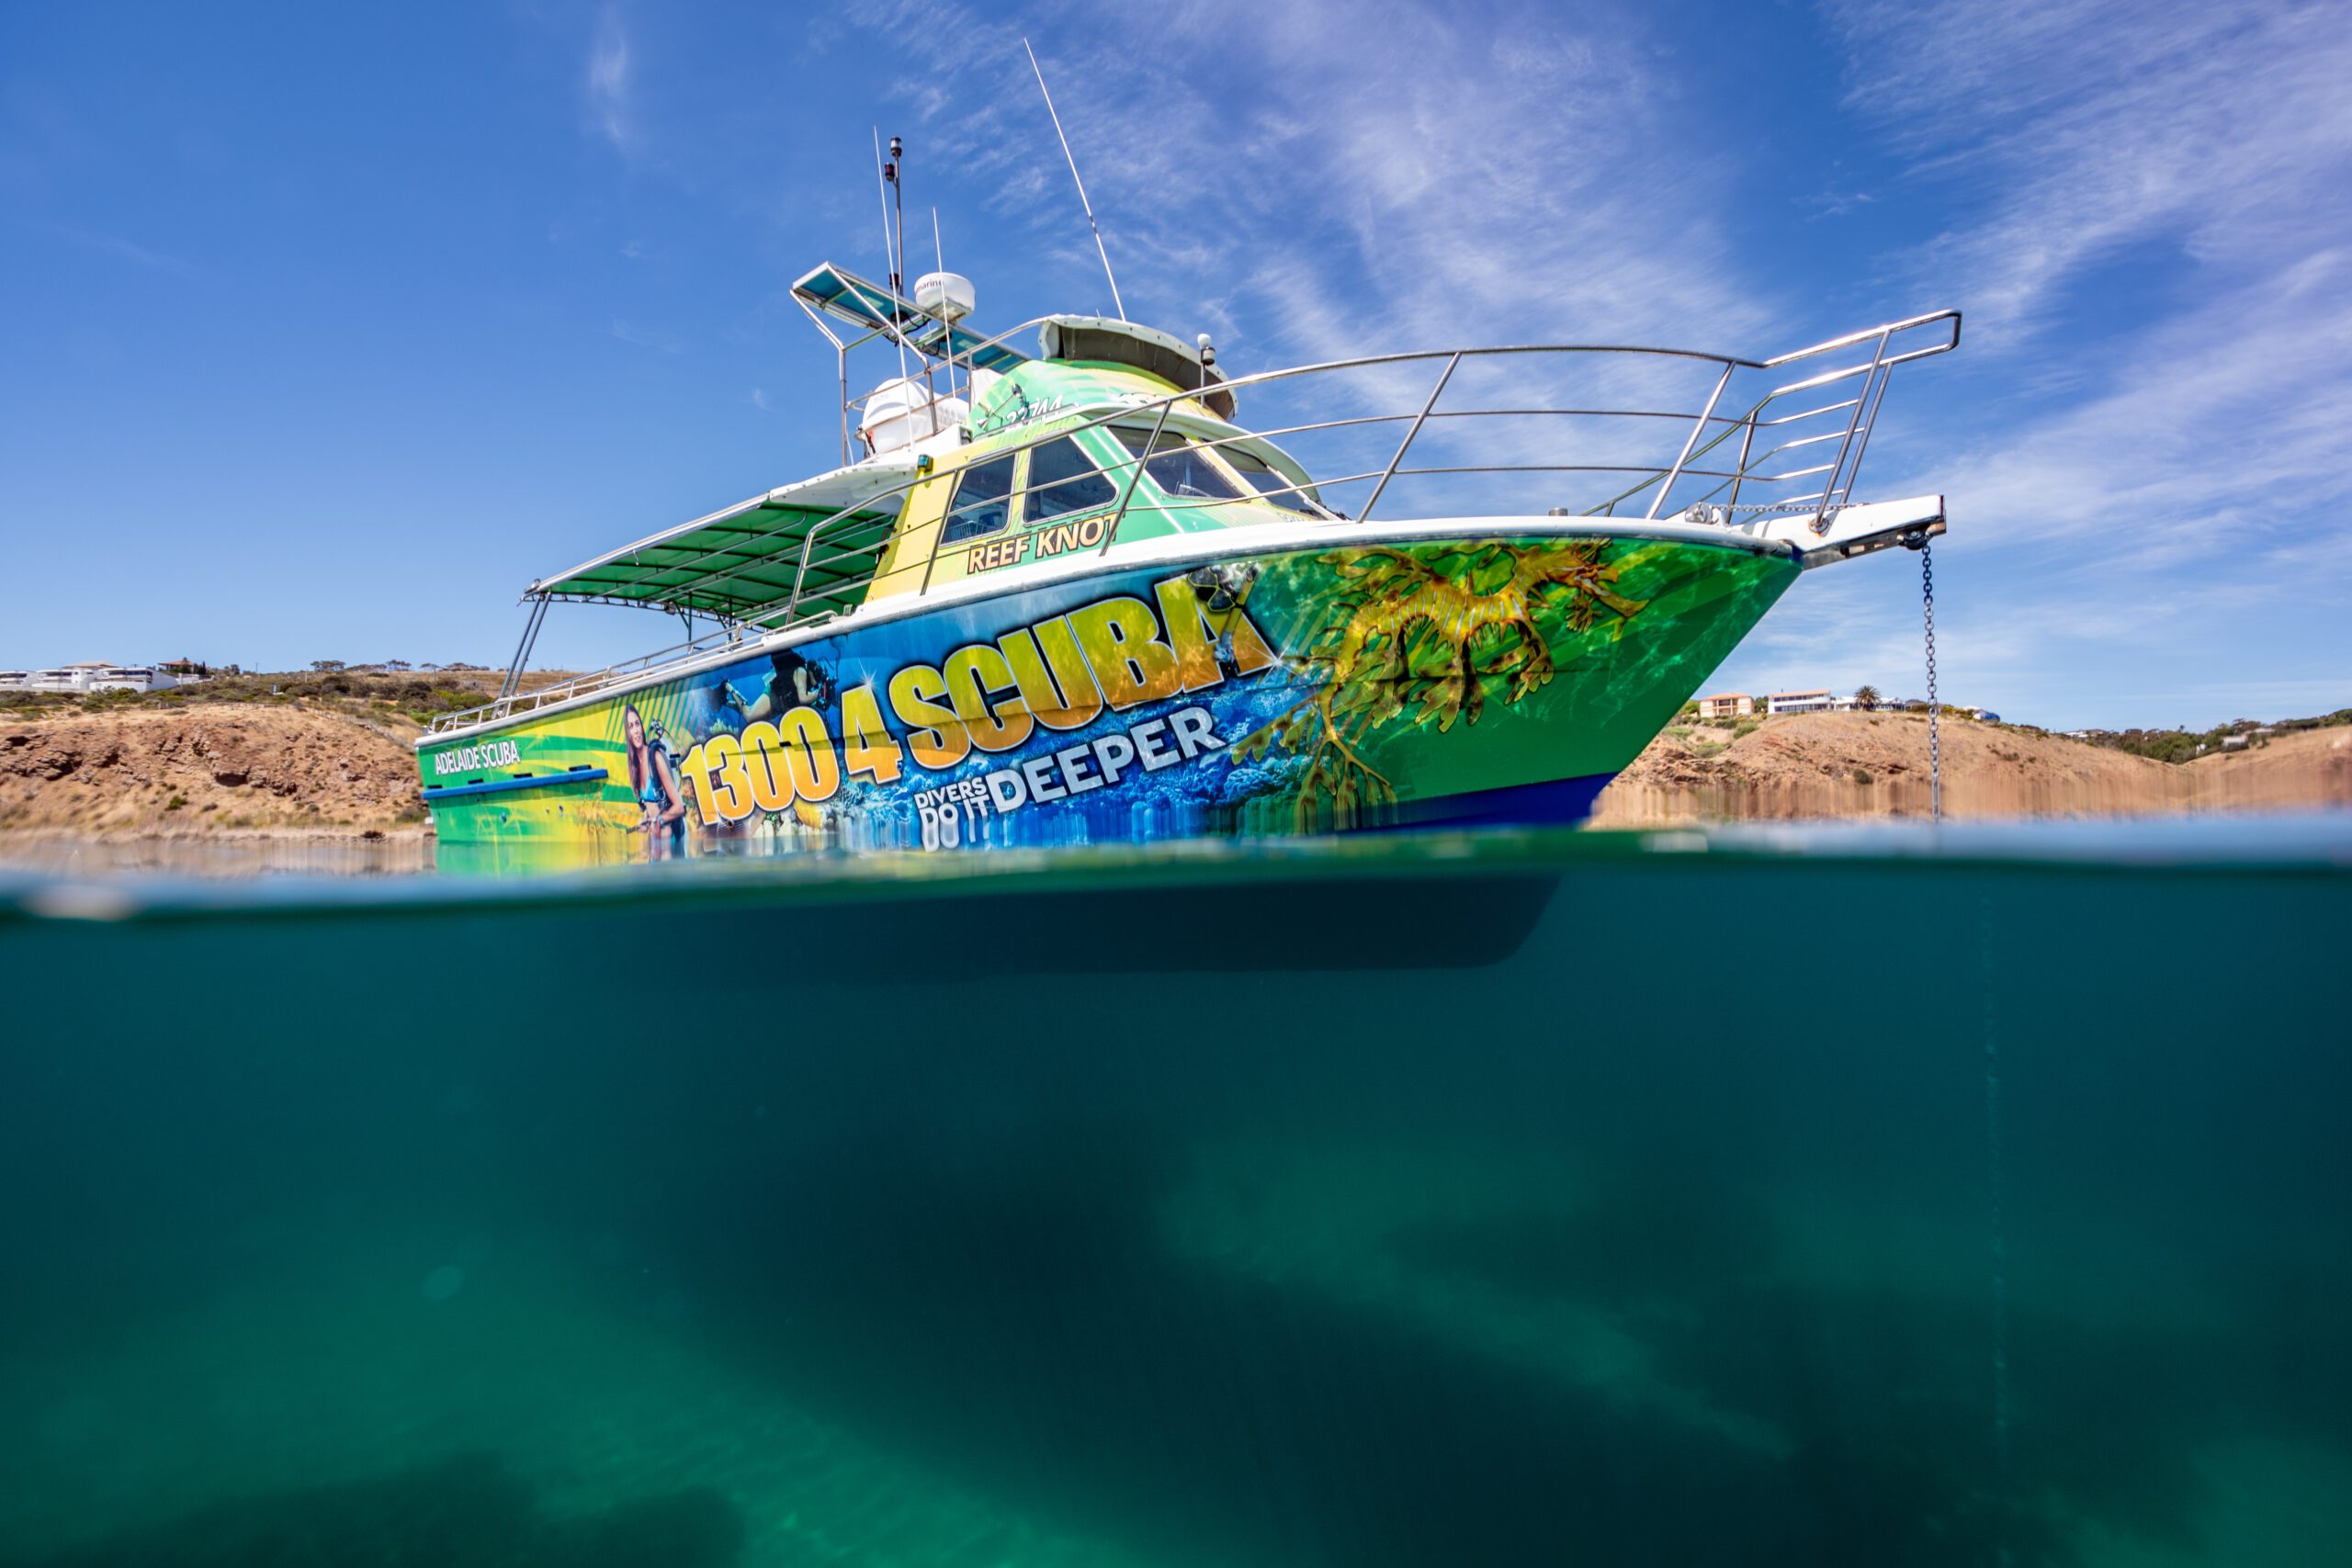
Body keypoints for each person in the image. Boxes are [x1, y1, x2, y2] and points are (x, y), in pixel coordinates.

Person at [622, 704, 686, 860]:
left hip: (668, 843)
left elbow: (679, 807)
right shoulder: (634, 767)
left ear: (642, 727)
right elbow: (651, 806)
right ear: (627, 733)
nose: (636, 731)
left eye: (637, 724)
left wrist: (659, 820)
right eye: (631, 726)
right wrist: (645, 820)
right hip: (655, 845)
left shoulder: (655, 758)